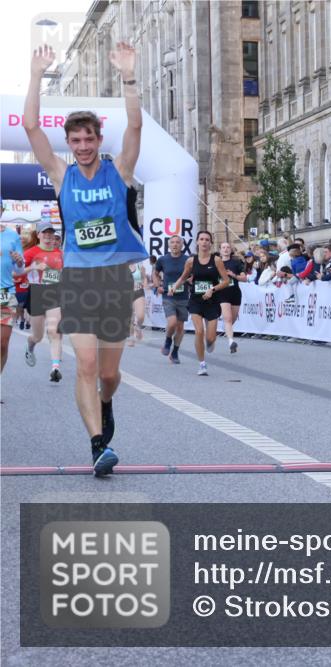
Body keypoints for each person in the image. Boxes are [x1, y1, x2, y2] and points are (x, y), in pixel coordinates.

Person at [24, 42, 147, 476]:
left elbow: (134, 126)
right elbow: (31, 127)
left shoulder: (120, 171)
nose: (81, 146)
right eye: (74, 140)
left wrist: (129, 77)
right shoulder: (62, 175)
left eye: (88, 139)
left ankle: (107, 402)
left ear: (97, 139)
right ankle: (98, 446)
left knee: (109, 376)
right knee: (87, 366)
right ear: (69, 143)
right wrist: (37, 74)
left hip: (114, 279)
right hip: (77, 279)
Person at [170, 231, 229, 376]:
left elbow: (227, 281)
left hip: (212, 301)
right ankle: (202, 364)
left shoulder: (216, 260)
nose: (204, 242)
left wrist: (213, 289)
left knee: (210, 338)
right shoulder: (191, 261)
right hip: (196, 300)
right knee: (199, 331)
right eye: (201, 239)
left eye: (207, 240)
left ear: (210, 243)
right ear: (197, 242)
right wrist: (174, 288)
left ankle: (210, 342)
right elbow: (183, 277)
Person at [23, 221, 64, 381]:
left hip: (54, 293)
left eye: (50, 233)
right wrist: (33, 268)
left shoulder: (60, 253)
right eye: (44, 233)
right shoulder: (30, 252)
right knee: (37, 336)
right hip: (37, 292)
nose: (48, 236)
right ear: (38, 235)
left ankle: (55, 368)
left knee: (54, 331)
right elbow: (15, 272)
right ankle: (30, 345)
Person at [153, 235, 190, 364]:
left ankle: (175, 352)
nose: (175, 245)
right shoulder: (163, 259)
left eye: (177, 242)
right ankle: (168, 340)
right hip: (168, 296)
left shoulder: (187, 259)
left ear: (182, 244)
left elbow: (193, 275)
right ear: (169, 245)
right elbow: (155, 273)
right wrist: (158, 286)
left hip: (184, 297)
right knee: (172, 322)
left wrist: (191, 280)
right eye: (172, 242)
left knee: (180, 327)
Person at [1, 203, 27, 375]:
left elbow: (19, 270)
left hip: (5, 293)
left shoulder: (12, 236)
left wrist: (19, 261)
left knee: (3, 343)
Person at [217, 241, 246, 353]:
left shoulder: (237, 262)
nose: (226, 249)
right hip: (222, 293)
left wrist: (234, 275)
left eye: (228, 247)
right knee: (228, 318)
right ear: (220, 250)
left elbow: (244, 278)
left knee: (232, 319)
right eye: (223, 247)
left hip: (235, 293)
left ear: (231, 250)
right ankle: (231, 341)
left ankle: (227, 329)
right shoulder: (216, 262)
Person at [126, 260, 147, 347]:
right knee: (130, 318)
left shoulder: (139, 266)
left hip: (138, 292)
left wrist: (144, 285)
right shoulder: (121, 266)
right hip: (126, 294)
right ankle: (131, 338)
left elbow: (144, 278)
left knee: (141, 316)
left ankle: (138, 327)